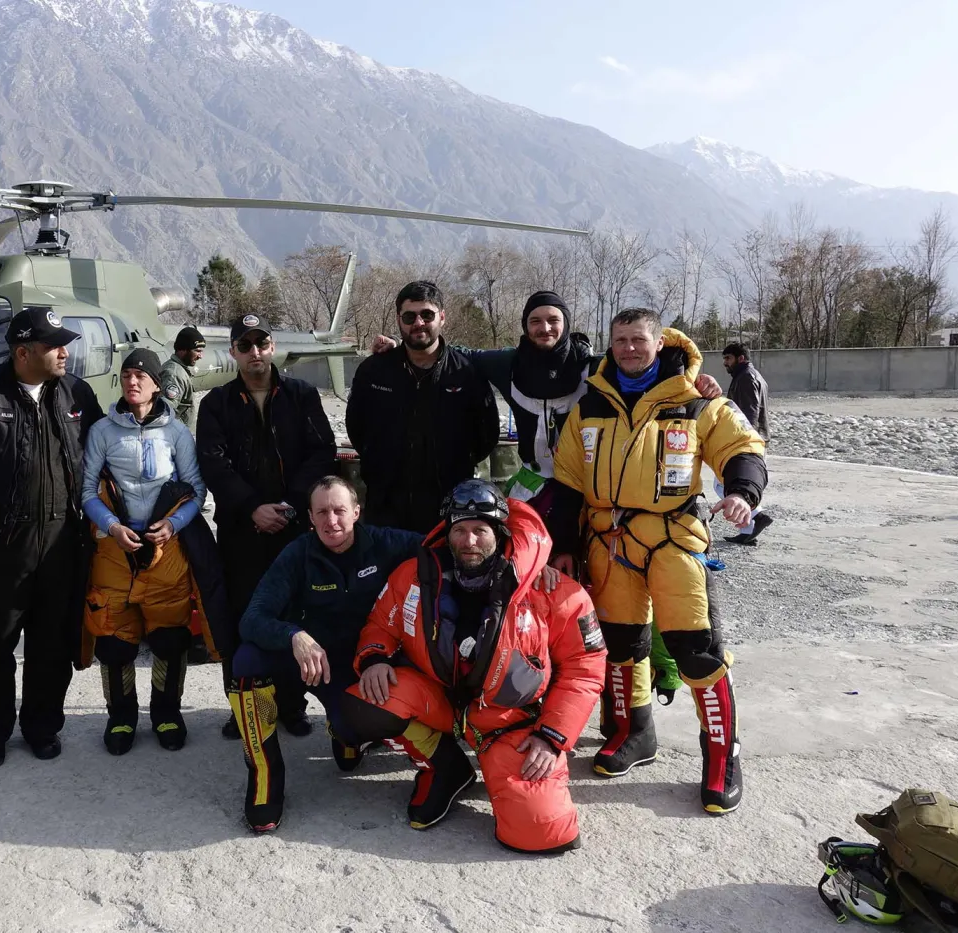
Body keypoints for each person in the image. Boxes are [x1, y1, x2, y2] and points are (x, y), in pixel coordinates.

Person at [546, 308, 767, 815]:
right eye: (619, 339)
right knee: (621, 645)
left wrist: (742, 492)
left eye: (638, 339)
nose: (627, 348)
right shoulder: (591, 406)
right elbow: (566, 483)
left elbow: (742, 448)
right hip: (609, 543)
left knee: (698, 651)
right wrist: (564, 545)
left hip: (675, 539)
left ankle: (721, 754)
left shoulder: (696, 402)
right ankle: (633, 732)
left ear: (659, 341)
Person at [341, 480, 606, 853]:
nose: (469, 541)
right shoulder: (415, 576)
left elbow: (586, 666)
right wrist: (373, 658)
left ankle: (507, 772)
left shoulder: (551, 589)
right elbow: (380, 625)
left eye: (480, 530)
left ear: (500, 533)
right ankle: (447, 767)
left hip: (511, 722)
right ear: (447, 534)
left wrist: (552, 737)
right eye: (460, 530)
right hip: (443, 702)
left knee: (542, 831)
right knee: (361, 705)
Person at [0, 307, 104, 769]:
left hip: (63, 542)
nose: (65, 352)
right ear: (24, 351)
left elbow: (106, 455)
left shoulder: (78, 394)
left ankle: (42, 727)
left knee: (52, 643)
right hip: (1, 544)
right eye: (55, 345)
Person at [369, 290, 721, 509]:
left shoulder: (594, 367)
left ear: (566, 324)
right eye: (535, 321)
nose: (545, 328)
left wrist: (692, 380)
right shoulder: (507, 364)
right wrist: (403, 346)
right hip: (531, 483)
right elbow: (456, 354)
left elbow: (643, 363)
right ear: (525, 327)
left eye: (553, 320)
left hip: (588, 487)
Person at [227, 476, 424, 832]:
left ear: (356, 512)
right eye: (322, 512)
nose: (331, 521)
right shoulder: (297, 553)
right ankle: (264, 774)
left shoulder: (385, 543)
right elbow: (252, 618)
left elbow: (452, 548)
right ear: (310, 518)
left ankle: (345, 735)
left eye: (339, 511)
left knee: (352, 740)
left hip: (354, 663)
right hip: (304, 657)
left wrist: (531, 564)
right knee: (245, 663)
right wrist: (294, 635)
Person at [198, 312, 337, 739]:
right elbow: (213, 464)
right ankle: (245, 707)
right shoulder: (216, 403)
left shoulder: (301, 395)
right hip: (241, 531)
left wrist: (290, 506)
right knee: (240, 616)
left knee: (293, 612)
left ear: (272, 347)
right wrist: (253, 507)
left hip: (293, 529)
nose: (254, 352)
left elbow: (321, 452)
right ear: (234, 352)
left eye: (262, 343)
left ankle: (291, 706)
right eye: (245, 345)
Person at [82, 348, 211, 754]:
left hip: (165, 550)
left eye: (141, 375)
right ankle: (120, 718)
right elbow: (86, 491)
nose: (132, 381)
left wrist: (173, 525)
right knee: (114, 641)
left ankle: (166, 713)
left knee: (170, 639)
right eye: (126, 375)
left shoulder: (176, 433)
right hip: (114, 550)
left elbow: (195, 489)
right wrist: (112, 526)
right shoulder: (103, 431)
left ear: (157, 384)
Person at [346, 280, 498, 534]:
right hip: (385, 504)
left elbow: (487, 435)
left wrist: (456, 464)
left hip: (447, 505)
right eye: (409, 316)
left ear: (442, 317)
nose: (418, 323)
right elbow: (356, 427)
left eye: (427, 315)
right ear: (399, 320)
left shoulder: (466, 373)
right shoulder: (374, 370)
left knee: (441, 572)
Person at [719, 342, 773, 545]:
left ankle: (757, 517)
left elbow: (749, 412)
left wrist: (740, 440)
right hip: (754, 439)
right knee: (735, 483)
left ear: (740, 358)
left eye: (728, 358)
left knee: (727, 482)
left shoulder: (746, 378)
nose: (725, 363)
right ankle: (750, 527)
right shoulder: (753, 375)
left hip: (746, 441)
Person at [160, 325, 206, 435]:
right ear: (183, 350)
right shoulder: (174, 374)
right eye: (197, 351)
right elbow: (164, 415)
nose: (201, 356)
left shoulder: (180, 371)